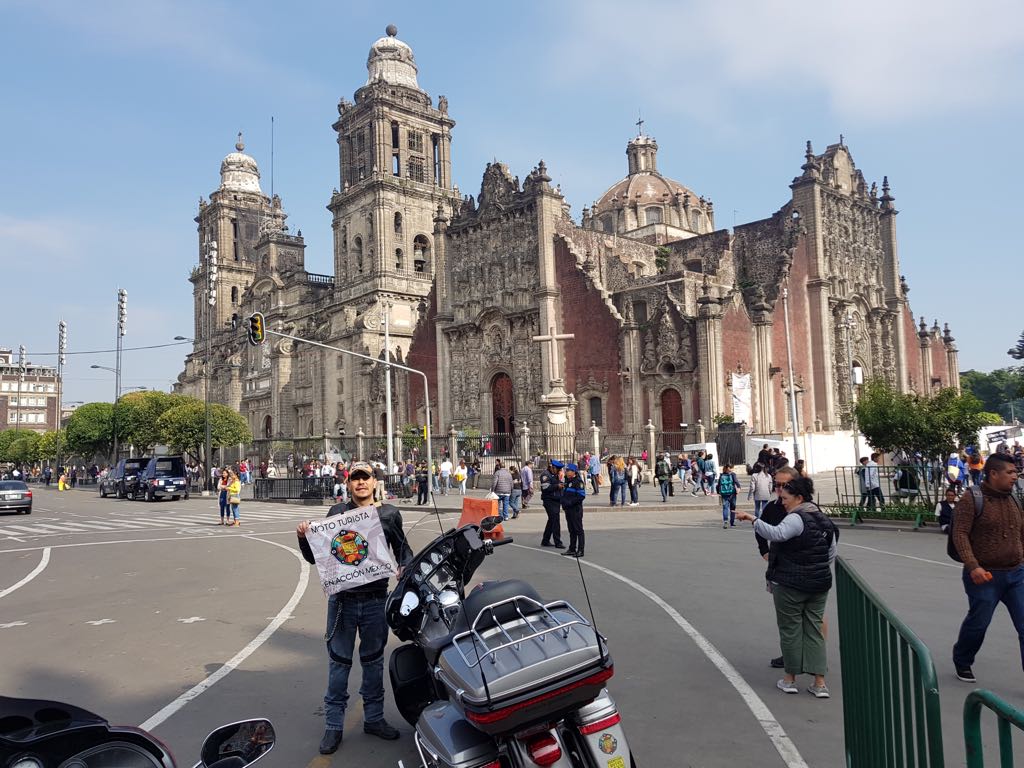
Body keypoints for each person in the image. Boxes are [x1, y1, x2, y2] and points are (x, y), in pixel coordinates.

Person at [295, 461, 412, 754]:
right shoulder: (336, 514)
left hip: (375, 600)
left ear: (375, 483)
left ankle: (374, 718)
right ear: (348, 484)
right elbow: (316, 558)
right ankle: (333, 726)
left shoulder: (388, 514)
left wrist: (404, 569)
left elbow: (404, 551)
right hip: (343, 602)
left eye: (365, 477)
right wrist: (303, 538)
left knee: (373, 662)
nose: (360, 483)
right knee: (339, 663)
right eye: (355, 478)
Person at [736, 476, 838, 698]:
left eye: (785, 497)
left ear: (799, 498)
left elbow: (776, 534)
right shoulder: (822, 518)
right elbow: (831, 552)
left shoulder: (797, 518)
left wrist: (752, 519)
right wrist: (816, 567)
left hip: (791, 583)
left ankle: (790, 678)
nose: (782, 501)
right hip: (819, 583)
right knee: (814, 631)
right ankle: (819, 683)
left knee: (790, 629)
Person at [950, 453, 1024, 683]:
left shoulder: (1014, 500)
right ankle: (962, 659)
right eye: (1010, 472)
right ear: (993, 473)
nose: (1015, 476)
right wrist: (973, 566)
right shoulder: (972, 499)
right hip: (984, 576)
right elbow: (960, 533)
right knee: (978, 623)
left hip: (1016, 574)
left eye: (1016, 472)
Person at [751, 466, 800, 668]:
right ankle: (790, 654)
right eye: (777, 484)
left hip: (804, 571)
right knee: (786, 618)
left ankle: (814, 657)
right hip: (780, 571)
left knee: (813, 618)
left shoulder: (806, 508)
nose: (779, 489)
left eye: (784, 485)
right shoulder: (772, 508)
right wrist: (764, 551)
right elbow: (760, 530)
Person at [561, 463, 587, 557]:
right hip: (568, 510)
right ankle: (572, 548)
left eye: (568, 470)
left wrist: (570, 503)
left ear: (573, 472)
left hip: (575, 509)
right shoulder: (567, 481)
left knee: (578, 530)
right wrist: (563, 502)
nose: (566, 472)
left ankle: (580, 550)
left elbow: (581, 496)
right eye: (566, 470)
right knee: (571, 530)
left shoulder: (578, 482)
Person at [539, 459, 565, 548]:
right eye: (558, 469)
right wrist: (557, 486)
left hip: (556, 500)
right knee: (555, 521)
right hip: (549, 501)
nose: (559, 471)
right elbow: (545, 488)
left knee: (551, 521)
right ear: (553, 468)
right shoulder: (545, 475)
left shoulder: (554, 475)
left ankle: (545, 540)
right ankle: (558, 542)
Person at [717, 464, 740, 528]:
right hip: (732, 494)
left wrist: (718, 492)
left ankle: (725, 521)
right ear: (729, 468)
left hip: (724, 494)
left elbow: (718, 485)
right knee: (732, 508)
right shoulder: (733, 474)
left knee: (725, 508)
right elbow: (736, 482)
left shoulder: (721, 475)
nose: (733, 469)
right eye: (732, 468)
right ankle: (732, 523)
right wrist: (739, 488)